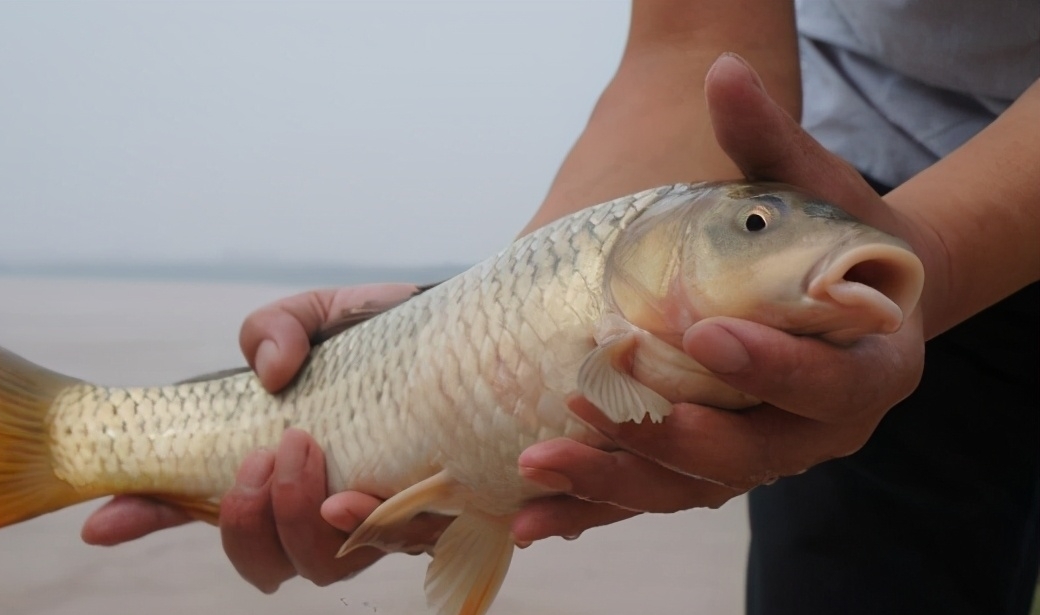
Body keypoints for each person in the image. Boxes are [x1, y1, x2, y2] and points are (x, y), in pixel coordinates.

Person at [82, 1, 1040, 612]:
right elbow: (695, 39)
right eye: (743, 228)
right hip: (848, 189)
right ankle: (72, 440)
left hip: (856, 230)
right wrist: (464, 323)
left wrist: (943, 252)